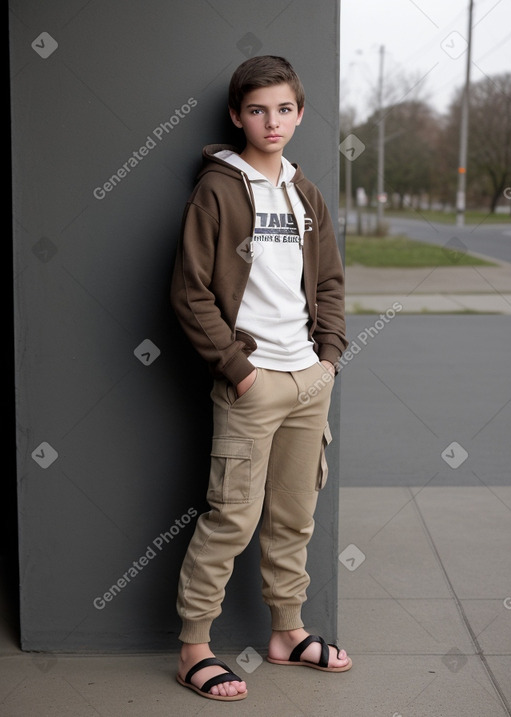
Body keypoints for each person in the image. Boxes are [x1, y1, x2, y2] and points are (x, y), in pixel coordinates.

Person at [170, 55, 351, 702]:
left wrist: (327, 359)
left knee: (294, 516)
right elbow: (190, 293)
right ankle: (195, 646)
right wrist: (239, 371)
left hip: (308, 380)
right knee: (232, 518)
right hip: (253, 381)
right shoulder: (218, 188)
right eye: (256, 109)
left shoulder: (306, 192)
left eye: (282, 109)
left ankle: (287, 631)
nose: (270, 121)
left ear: (300, 114)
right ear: (236, 116)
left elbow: (329, 283)